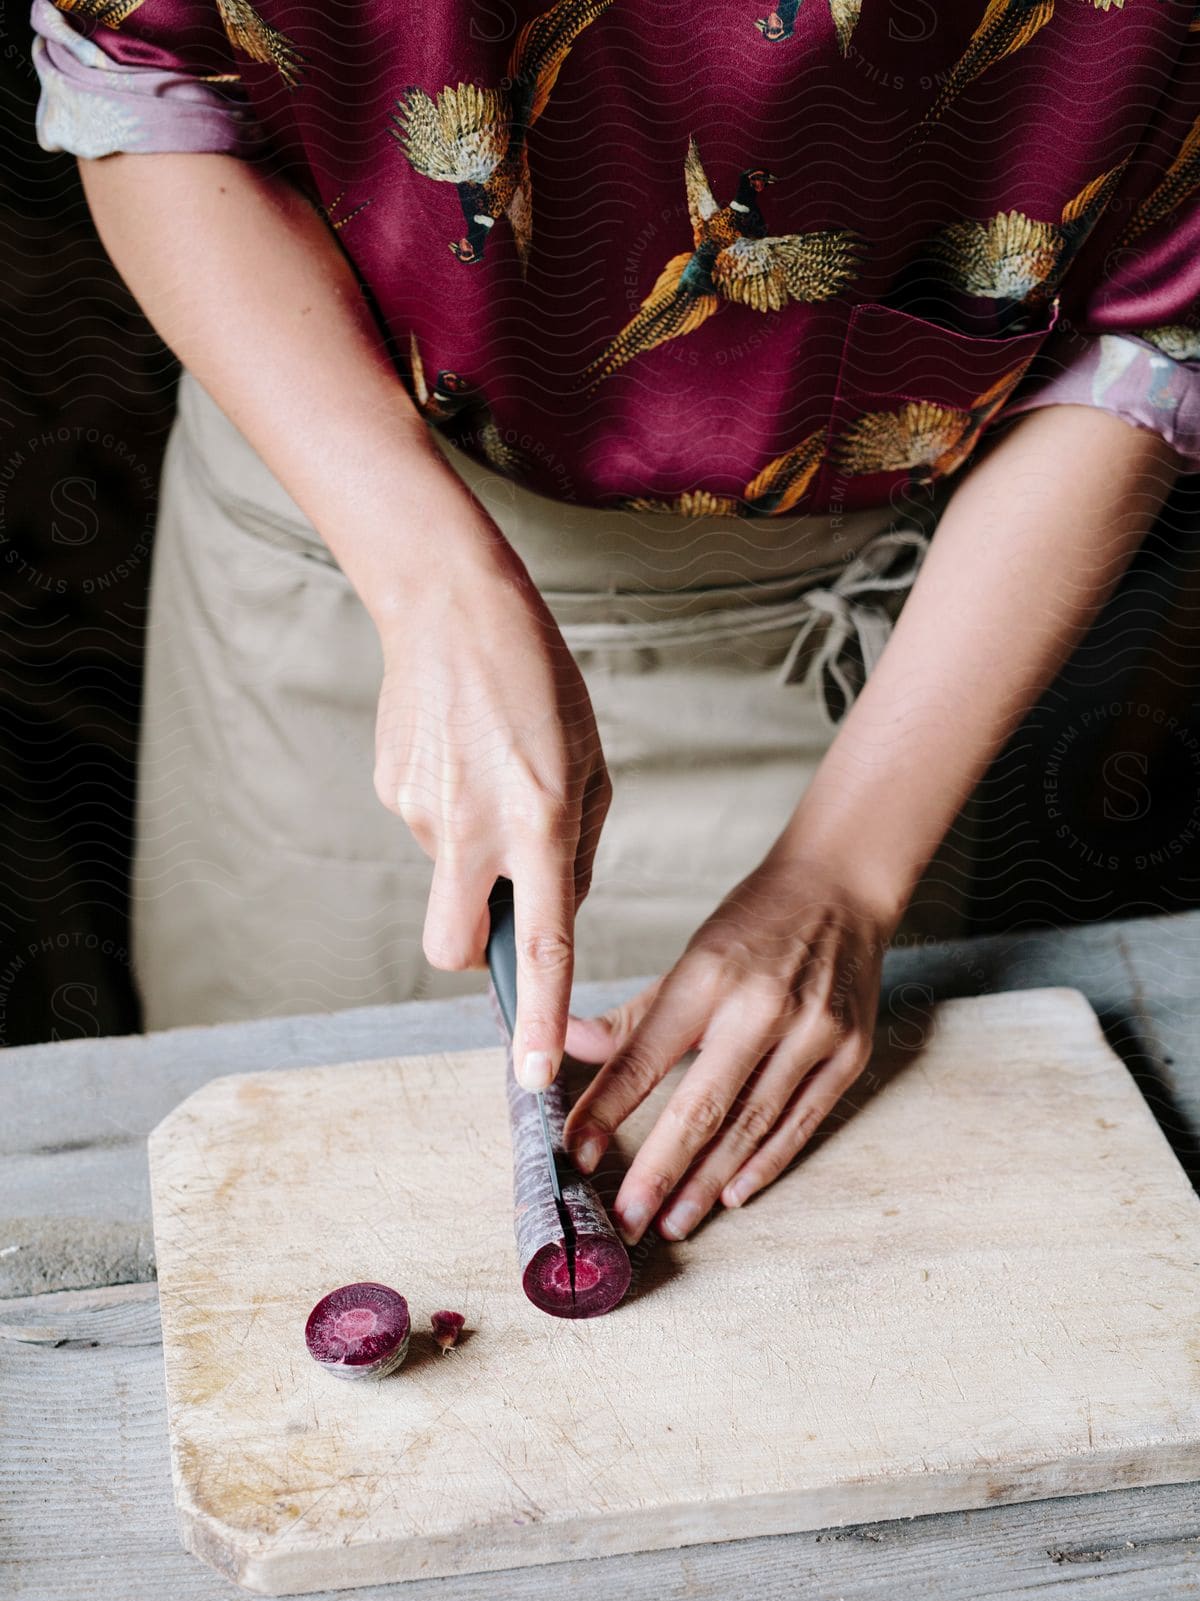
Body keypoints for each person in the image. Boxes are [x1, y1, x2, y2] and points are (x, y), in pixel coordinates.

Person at [31, 0, 1200, 1247]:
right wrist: (432, 579)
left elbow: (1149, 333)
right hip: (329, 530)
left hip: (845, 661)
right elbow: (146, 77)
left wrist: (846, 875)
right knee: (276, 1199)